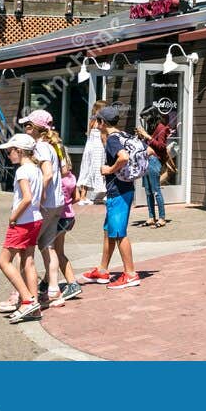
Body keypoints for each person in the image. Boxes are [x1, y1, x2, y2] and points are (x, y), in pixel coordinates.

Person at [78, 105, 142, 289]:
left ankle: (130, 274)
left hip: (119, 192)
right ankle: (103, 270)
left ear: (102, 122)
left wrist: (109, 169)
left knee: (119, 233)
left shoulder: (113, 139)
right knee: (109, 231)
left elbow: (122, 157)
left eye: (97, 121)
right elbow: (148, 151)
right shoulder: (124, 135)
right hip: (124, 189)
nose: (95, 124)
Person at [20, 111, 67, 307]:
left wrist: (39, 196)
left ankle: (23, 293)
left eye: (28, 125)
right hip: (57, 202)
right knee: (48, 246)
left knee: (27, 246)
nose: (25, 129)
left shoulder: (40, 147)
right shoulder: (51, 145)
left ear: (35, 128)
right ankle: (54, 289)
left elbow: (46, 174)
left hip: (46, 203)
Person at [0, 133, 45, 324]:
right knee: (28, 261)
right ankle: (34, 303)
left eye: (10, 151)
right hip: (35, 219)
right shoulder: (37, 169)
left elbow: (26, 197)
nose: (9, 155)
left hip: (23, 221)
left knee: (3, 261)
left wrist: (13, 216)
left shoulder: (22, 171)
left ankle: (26, 300)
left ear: (20, 151)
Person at [136, 109, 169, 228]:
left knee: (156, 190)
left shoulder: (161, 128)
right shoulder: (151, 127)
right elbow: (148, 143)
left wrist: (147, 136)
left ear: (152, 115)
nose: (145, 120)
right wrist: (141, 137)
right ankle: (151, 217)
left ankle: (162, 218)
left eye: (145, 117)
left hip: (155, 160)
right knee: (148, 191)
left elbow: (161, 146)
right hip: (146, 160)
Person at [77, 101, 109, 206]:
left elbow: (89, 134)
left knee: (87, 170)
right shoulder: (101, 122)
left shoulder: (92, 121)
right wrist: (107, 146)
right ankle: (105, 195)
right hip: (98, 148)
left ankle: (83, 197)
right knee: (101, 169)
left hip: (89, 148)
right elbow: (103, 136)